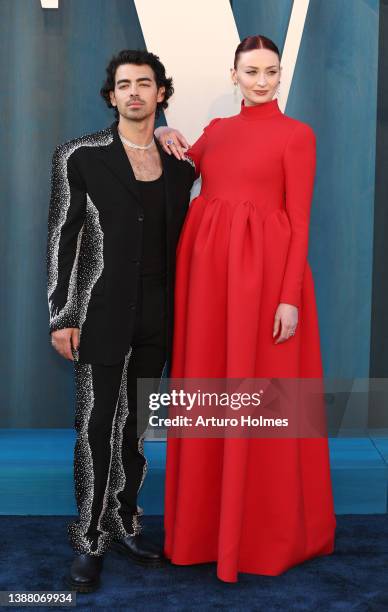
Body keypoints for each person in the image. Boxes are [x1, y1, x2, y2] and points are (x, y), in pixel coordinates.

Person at [155, 35, 336, 583]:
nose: (262, 81)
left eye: (271, 72)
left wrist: (288, 297)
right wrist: (164, 129)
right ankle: (203, 532)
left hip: (265, 285)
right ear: (233, 74)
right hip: (209, 283)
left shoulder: (297, 136)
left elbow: (300, 220)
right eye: (252, 71)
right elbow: (185, 161)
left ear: (281, 76)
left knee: (266, 397)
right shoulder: (217, 133)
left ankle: (264, 536)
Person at [47, 49, 195, 592]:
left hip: (160, 314)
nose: (134, 92)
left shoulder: (182, 165)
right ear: (112, 96)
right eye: (124, 84)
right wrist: (61, 314)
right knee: (96, 427)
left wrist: (174, 135)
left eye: (145, 83)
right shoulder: (80, 157)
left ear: (161, 94)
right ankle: (89, 538)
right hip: (101, 311)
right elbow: (63, 238)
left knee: (136, 427)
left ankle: (125, 520)